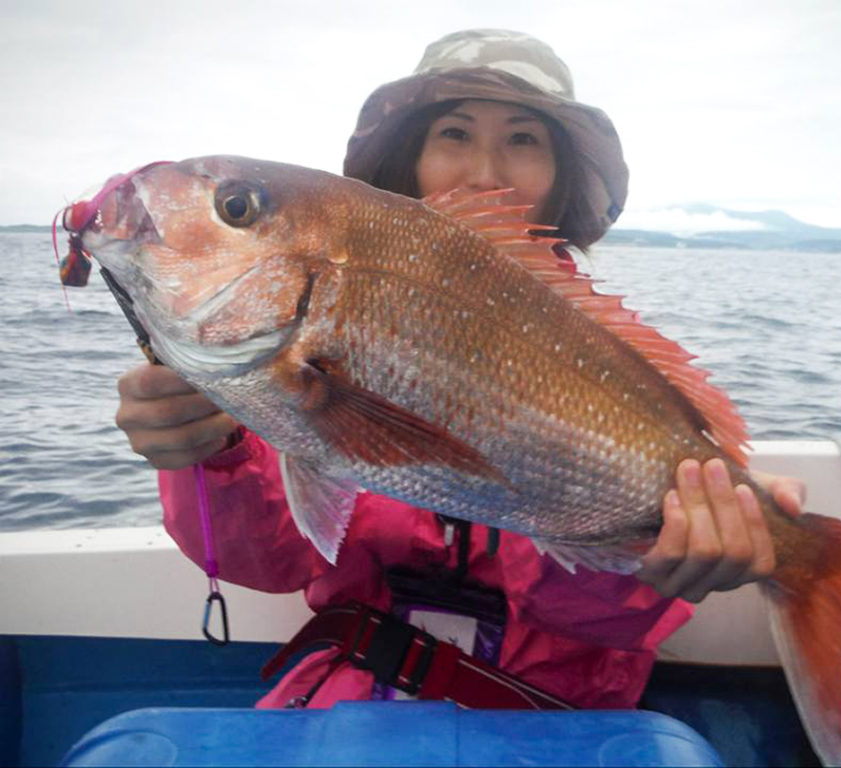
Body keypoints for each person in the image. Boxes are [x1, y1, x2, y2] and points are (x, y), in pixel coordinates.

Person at [114, 29, 805, 710]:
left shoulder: (604, 358)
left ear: (562, 171)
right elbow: (268, 563)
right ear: (409, 156)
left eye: (523, 140)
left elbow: (617, 622)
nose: (484, 172)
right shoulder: (296, 349)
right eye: (454, 133)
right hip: (345, 705)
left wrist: (666, 552)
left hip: (552, 723)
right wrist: (212, 455)